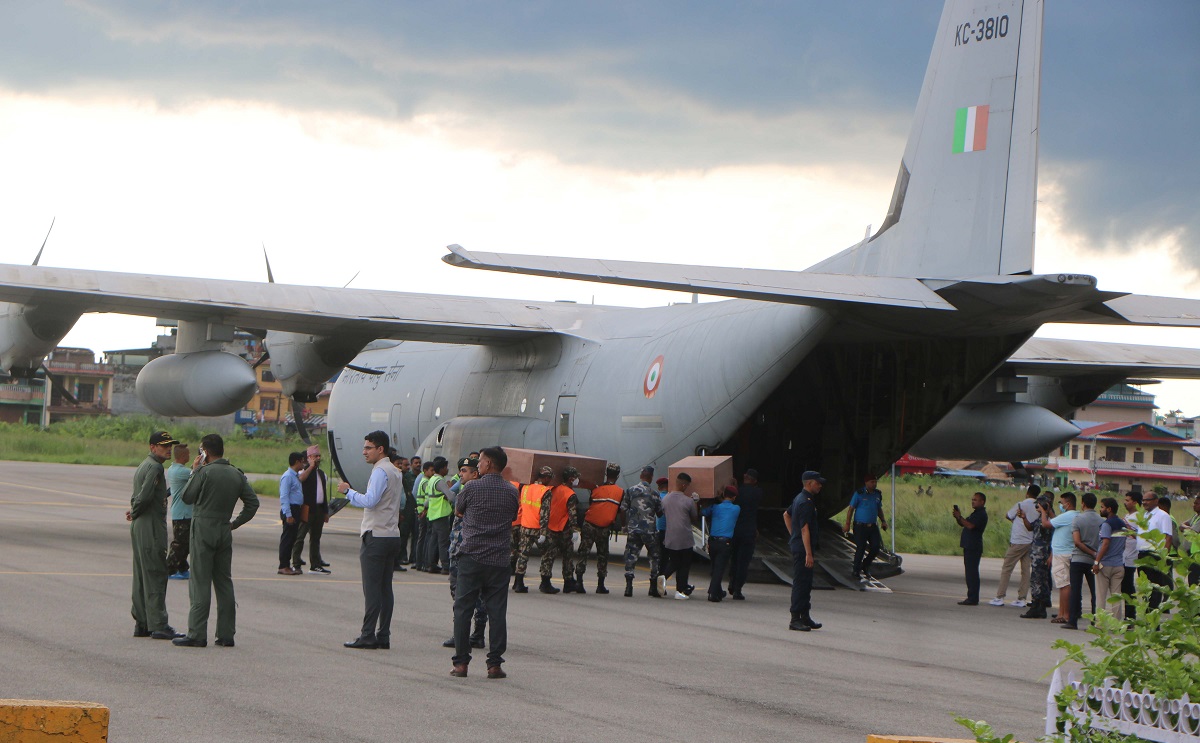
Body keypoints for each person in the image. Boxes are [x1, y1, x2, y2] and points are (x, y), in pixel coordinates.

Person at [173, 433, 260, 647]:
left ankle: (197, 633)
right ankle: (226, 634)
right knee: (223, 582)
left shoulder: (204, 472)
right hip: (223, 528)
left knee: (200, 581)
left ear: (205, 452)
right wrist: (235, 523)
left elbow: (187, 496)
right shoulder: (236, 474)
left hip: (203, 528)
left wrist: (195, 471)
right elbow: (252, 504)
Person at [450, 446, 519, 679]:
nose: (477, 464)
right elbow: (511, 517)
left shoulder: (471, 487)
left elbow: (459, 511)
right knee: (497, 612)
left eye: (479, 461)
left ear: (488, 463)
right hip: (499, 559)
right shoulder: (511, 492)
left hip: (472, 556)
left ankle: (461, 663)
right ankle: (494, 664)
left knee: (463, 610)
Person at [337, 431, 404, 649]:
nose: (364, 452)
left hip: (376, 535)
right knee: (385, 588)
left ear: (380, 449)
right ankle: (383, 635)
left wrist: (348, 492)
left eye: (368, 448)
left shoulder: (380, 471)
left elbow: (370, 501)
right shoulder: (395, 471)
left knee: (372, 589)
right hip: (392, 534)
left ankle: (368, 634)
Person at [129, 430, 183, 640]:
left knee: (142, 575)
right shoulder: (155, 467)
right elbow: (143, 497)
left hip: (142, 523)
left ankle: (142, 622)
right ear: (152, 447)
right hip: (149, 525)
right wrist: (134, 510)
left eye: (169, 445)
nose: (168, 449)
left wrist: (134, 510)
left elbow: (145, 495)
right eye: (164, 445)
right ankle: (158, 624)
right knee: (155, 574)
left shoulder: (145, 465)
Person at [443, 458, 487, 649]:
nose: (461, 474)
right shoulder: (472, 491)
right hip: (462, 549)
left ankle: (464, 634)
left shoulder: (472, 493)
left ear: (475, 474)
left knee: (463, 595)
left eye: (464, 471)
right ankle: (474, 633)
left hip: (465, 550)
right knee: (472, 595)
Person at [574, 463, 624, 594]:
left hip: (589, 524)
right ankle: (600, 585)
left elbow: (592, 503)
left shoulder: (597, 489)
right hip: (604, 527)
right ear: (618, 476)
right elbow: (620, 510)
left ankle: (579, 582)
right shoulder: (620, 492)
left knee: (583, 553)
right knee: (603, 555)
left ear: (606, 474)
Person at [784, 471, 825, 629]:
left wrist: (793, 536)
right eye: (818, 482)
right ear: (809, 483)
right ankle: (795, 618)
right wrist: (808, 552)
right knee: (801, 583)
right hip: (803, 549)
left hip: (800, 545)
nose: (820, 485)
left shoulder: (800, 498)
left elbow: (786, 515)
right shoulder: (806, 501)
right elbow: (804, 529)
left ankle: (805, 615)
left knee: (806, 583)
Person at [990, 484, 1040, 607]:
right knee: (1025, 571)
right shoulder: (1038, 507)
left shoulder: (1020, 505)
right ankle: (1022, 598)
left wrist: (1016, 522)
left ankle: (1000, 596)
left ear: (1027, 493)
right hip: (1030, 541)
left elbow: (1008, 515)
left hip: (1018, 541)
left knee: (1007, 569)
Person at [621, 465, 665, 598]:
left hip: (634, 529)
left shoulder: (630, 490)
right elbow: (660, 513)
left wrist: (625, 525)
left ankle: (629, 587)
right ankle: (652, 587)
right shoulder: (654, 493)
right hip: (649, 531)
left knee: (631, 556)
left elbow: (623, 509)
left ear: (641, 476)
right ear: (651, 477)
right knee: (654, 556)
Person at [537, 466, 581, 594]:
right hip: (563, 528)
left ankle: (545, 582)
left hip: (550, 526)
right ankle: (568, 581)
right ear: (571, 479)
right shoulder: (570, 494)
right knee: (568, 555)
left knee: (548, 556)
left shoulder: (552, 488)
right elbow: (572, 514)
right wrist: (575, 530)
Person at [511, 466, 554, 592]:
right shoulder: (545, 491)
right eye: (550, 478)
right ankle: (545, 583)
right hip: (537, 528)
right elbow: (544, 513)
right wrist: (544, 533)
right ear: (545, 477)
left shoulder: (525, 487)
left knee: (522, 554)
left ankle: (518, 583)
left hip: (525, 526)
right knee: (548, 553)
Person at [659, 473, 700, 600]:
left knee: (674, 562)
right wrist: (696, 502)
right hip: (684, 537)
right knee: (684, 565)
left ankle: (662, 578)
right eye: (687, 486)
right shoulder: (688, 501)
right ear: (683, 485)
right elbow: (695, 518)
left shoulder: (665, 499)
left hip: (670, 536)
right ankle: (680, 590)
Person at [1065, 492, 1102, 630]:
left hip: (1078, 558)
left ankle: (1073, 620)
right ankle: (1094, 620)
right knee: (1095, 592)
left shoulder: (1078, 519)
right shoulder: (1101, 521)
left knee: (1075, 590)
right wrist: (1095, 554)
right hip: (1094, 561)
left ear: (1083, 503)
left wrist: (1089, 551)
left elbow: (1077, 542)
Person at [294, 444, 331, 574]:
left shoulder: (321, 474)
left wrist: (326, 512)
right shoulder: (303, 472)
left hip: (319, 509)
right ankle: (296, 563)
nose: (318, 458)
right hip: (307, 508)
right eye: (315, 456)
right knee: (300, 536)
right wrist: (310, 466)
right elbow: (301, 479)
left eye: (319, 456)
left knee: (315, 538)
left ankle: (315, 564)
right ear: (309, 457)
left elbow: (324, 494)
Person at [843, 475, 888, 581]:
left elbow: (879, 509)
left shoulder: (877, 494)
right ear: (866, 483)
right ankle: (856, 570)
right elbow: (851, 509)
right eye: (872, 482)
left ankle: (866, 564)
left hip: (872, 526)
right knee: (861, 547)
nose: (874, 484)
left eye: (875, 482)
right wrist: (847, 524)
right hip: (860, 526)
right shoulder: (859, 494)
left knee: (876, 547)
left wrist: (883, 521)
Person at [1042, 492, 1077, 623]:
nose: (1061, 505)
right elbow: (1056, 520)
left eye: (1062, 503)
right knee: (1063, 584)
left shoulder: (1068, 515)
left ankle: (1064, 614)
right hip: (1063, 552)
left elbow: (1046, 524)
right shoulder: (1073, 516)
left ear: (1068, 504)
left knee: (1064, 585)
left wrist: (1043, 511)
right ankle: (1061, 612)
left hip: (1062, 554)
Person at [728, 468, 763, 601]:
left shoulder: (737, 492)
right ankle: (738, 590)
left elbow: (734, 498)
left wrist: (735, 486)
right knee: (744, 561)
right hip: (749, 530)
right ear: (755, 481)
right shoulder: (758, 492)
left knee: (734, 558)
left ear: (745, 477)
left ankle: (732, 581)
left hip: (735, 529)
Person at [1138, 491, 1175, 610]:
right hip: (1142, 555)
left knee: (1155, 587)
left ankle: (1153, 614)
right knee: (1145, 587)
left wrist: (1164, 557)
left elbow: (1168, 537)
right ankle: (1147, 613)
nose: (1144, 503)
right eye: (1143, 500)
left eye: (1147, 500)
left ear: (1156, 501)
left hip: (1155, 555)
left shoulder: (1162, 515)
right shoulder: (1144, 515)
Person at [1091, 496, 1127, 619]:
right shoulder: (1123, 524)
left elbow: (1105, 543)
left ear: (1109, 509)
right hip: (1118, 564)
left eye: (1102, 507)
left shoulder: (1106, 525)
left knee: (1101, 596)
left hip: (1105, 564)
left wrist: (1096, 561)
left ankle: (1100, 624)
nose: (1100, 509)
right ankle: (1116, 623)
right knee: (1116, 596)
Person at [703, 486, 740, 601]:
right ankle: (712, 594)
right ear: (734, 497)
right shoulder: (736, 508)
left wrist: (718, 496)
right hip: (725, 543)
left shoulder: (714, 508)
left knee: (715, 567)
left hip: (712, 542)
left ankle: (718, 591)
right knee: (719, 569)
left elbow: (703, 512)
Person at [953, 492, 988, 606]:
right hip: (969, 546)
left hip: (974, 546)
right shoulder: (975, 513)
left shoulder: (981, 514)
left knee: (972, 573)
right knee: (970, 572)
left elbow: (970, 525)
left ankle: (973, 598)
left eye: (976, 500)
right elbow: (964, 523)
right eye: (972, 499)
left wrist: (959, 517)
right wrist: (958, 518)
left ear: (982, 502)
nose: (973, 501)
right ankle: (972, 596)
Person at [422, 457, 456, 575]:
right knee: (443, 542)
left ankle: (431, 564)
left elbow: (427, 499)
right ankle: (446, 566)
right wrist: (454, 493)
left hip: (433, 514)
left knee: (433, 540)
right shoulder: (440, 481)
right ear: (441, 469)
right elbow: (451, 496)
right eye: (446, 467)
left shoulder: (431, 480)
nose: (447, 470)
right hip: (441, 514)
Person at [166, 443, 193, 580]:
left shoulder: (172, 469)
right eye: (188, 454)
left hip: (180, 512)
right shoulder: (182, 471)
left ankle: (182, 568)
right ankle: (168, 569)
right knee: (180, 544)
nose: (190, 456)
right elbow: (199, 476)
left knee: (184, 543)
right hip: (184, 513)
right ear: (183, 456)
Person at [277, 452, 306, 576]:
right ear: (296, 462)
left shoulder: (296, 476)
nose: (303, 464)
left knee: (292, 538)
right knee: (287, 539)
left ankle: (287, 564)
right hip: (291, 510)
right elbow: (284, 496)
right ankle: (283, 565)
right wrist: (288, 514)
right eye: (302, 461)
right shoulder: (288, 476)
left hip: (296, 509)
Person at [1120, 491, 1143, 620]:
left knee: (1128, 587)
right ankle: (1128, 614)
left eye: (1128, 500)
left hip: (1131, 556)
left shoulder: (1138, 516)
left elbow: (1138, 535)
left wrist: (1127, 527)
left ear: (1135, 502)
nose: (1125, 502)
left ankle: (1130, 615)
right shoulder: (1128, 515)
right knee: (1125, 587)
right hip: (1124, 555)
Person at [398, 455, 417, 565]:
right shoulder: (399, 478)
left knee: (411, 534)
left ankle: (411, 557)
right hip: (403, 511)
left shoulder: (407, 477)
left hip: (410, 510)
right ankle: (402, 556)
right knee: (403, 535)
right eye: (404, 465)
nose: (406, 467)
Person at [1185, 495, 1200, 586]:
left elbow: (1192, 531)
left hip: (1197, 555)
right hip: (1193, 554)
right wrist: (1188, 528)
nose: (1194, 505)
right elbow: (1182, 525)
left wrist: (1187, 529)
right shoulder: (1195, 517)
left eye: (1197, 503)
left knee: (1194, 581)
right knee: (1192, 580)